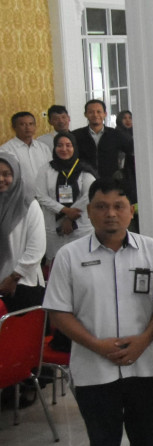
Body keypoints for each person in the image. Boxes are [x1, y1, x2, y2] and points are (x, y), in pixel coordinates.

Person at [41, 178, 153, 446]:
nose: (111, 214)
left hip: (145, 366)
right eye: (101, 206)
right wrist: (97, 345)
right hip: (93, 370)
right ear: (89, 211)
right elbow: (58, 314)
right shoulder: (69, 255)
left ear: (131, 209)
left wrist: (144, 340)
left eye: (119, 206)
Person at [36, 132, 96, 264]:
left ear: (74, 147)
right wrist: (64, 210)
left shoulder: (84, 169)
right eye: (59, 145)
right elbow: (40, 195)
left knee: (83, 261)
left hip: (80, 227)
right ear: (54, 148)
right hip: (54, 227)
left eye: (68, 145)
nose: (64, 149)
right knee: (57, 263)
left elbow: (89, 194)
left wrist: (70, 217)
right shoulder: (46, 169)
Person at [0, 157, 46, 311]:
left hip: (24, 285)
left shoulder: (29, 205)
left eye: (6, 174)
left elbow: (37, 248)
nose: (1, 179)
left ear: (16, 176)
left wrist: (13, 278)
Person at [3, 111, 53, 204]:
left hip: (46, 199)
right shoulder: (5, 150)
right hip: (20, 201)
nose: (28, 127)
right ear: (14, 127)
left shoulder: (43, 148)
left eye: (31, 124)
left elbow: (51, 172)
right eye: (22, 124)